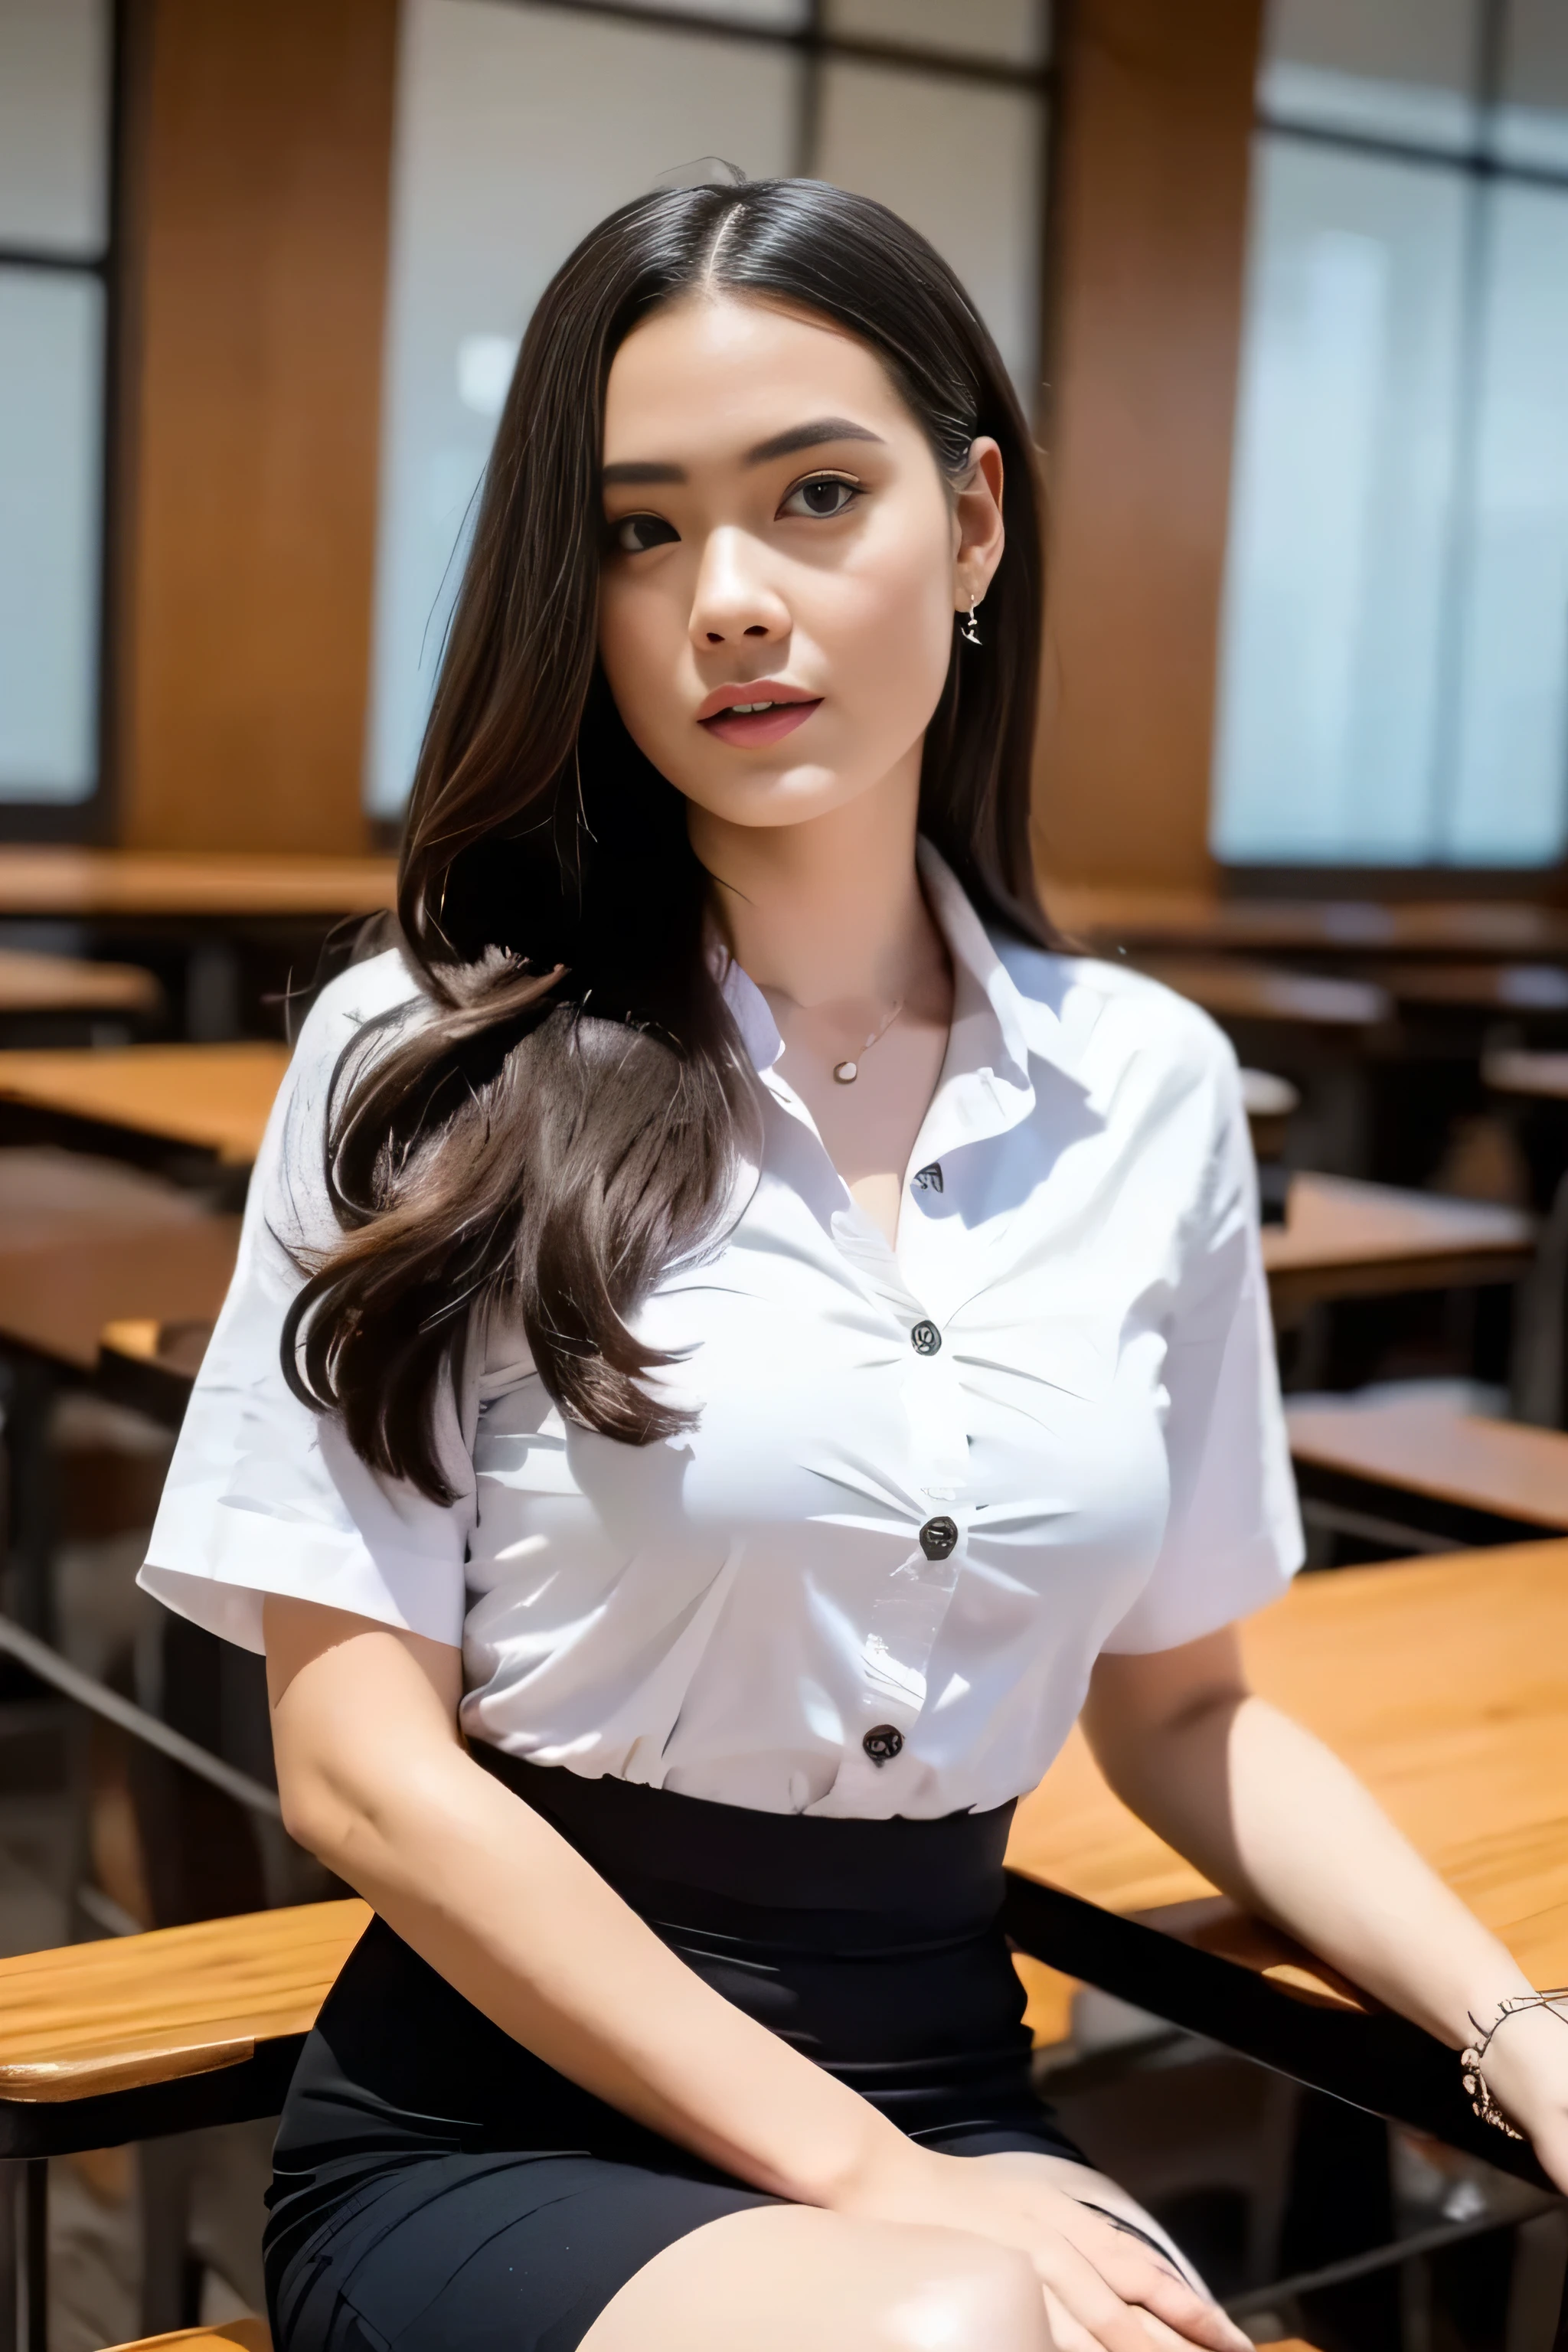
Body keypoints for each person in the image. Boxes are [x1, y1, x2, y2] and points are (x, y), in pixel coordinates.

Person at [141, 177, 1568, 2352]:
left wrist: (1512, 2030)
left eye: (817, 495)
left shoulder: (1151, 1088)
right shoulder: (425, 1058)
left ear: (973, 523)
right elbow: (355, 1770)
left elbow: (1190, 1710)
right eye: (640, 532)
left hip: (949, 2087)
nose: (728, 600)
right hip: (502, 2118)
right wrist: (880, 2190)